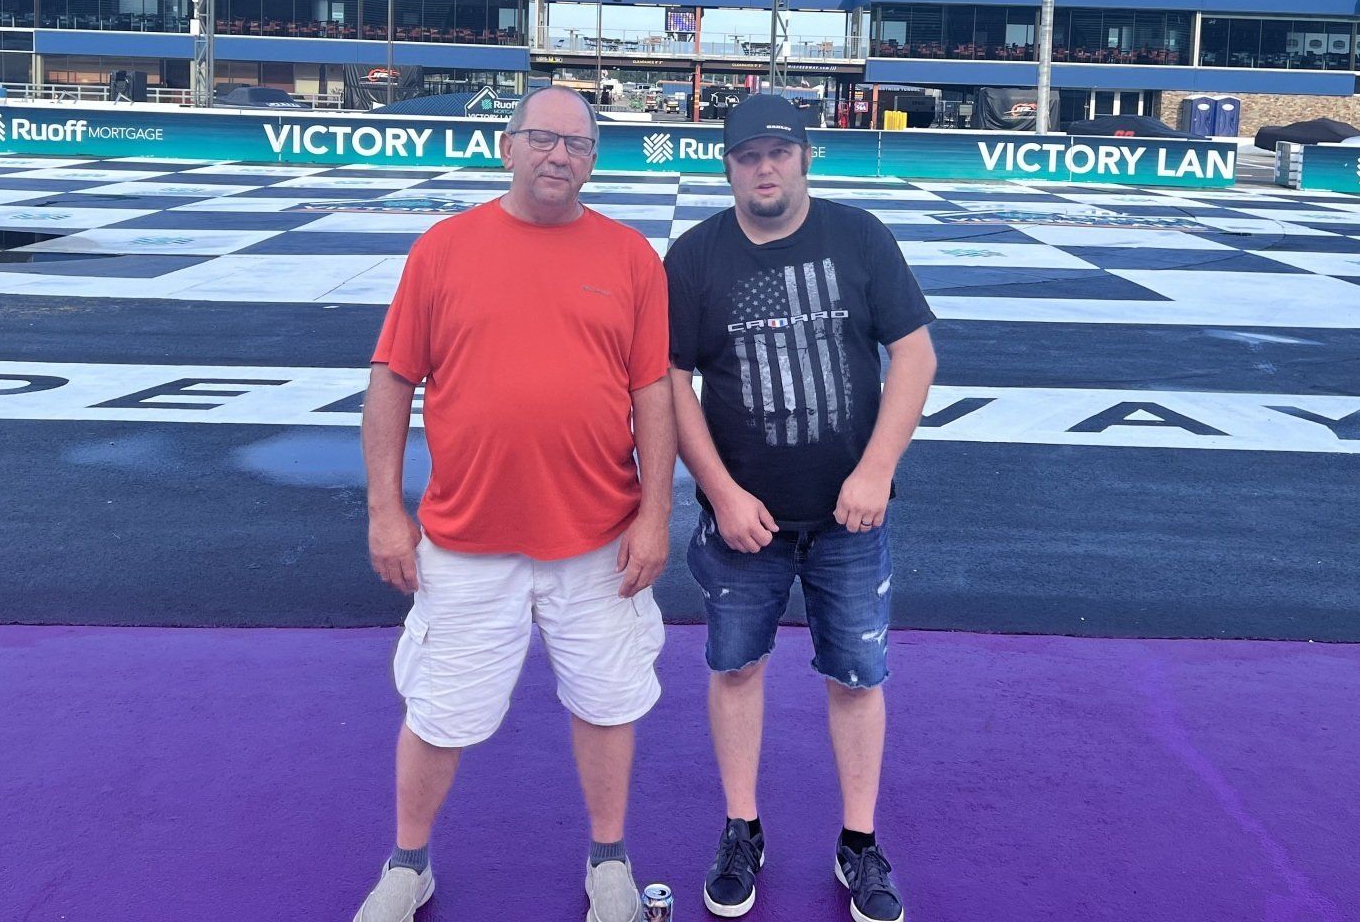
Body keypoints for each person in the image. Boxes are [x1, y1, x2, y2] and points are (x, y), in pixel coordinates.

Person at [353, 85, 675, 922]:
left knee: (607, 704)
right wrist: (385, 511)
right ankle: (408, 864)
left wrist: (655, 517)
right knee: (440, 712)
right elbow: (392, 380)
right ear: (506, 147)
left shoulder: (631, 258)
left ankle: (610, 859)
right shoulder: (444, 249)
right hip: (468, 539)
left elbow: (654, 394)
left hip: (599, 540)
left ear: (593, 161)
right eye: (542, 138)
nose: (558, 155)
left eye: (577, 144)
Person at [664, 94, 938, 922]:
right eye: (748, 155)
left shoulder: (859, 236)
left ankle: (859, 842)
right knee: (736, 668)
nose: (765, 168)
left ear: (806, 157)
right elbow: (671, 383)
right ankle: (741, 829)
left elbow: (915, 355)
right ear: (727, 167)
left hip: (850, 518)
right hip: (743, 521)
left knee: (857, 676)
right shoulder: (695, 257)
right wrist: (720, 491)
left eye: (779, 152)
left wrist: (876, 471)